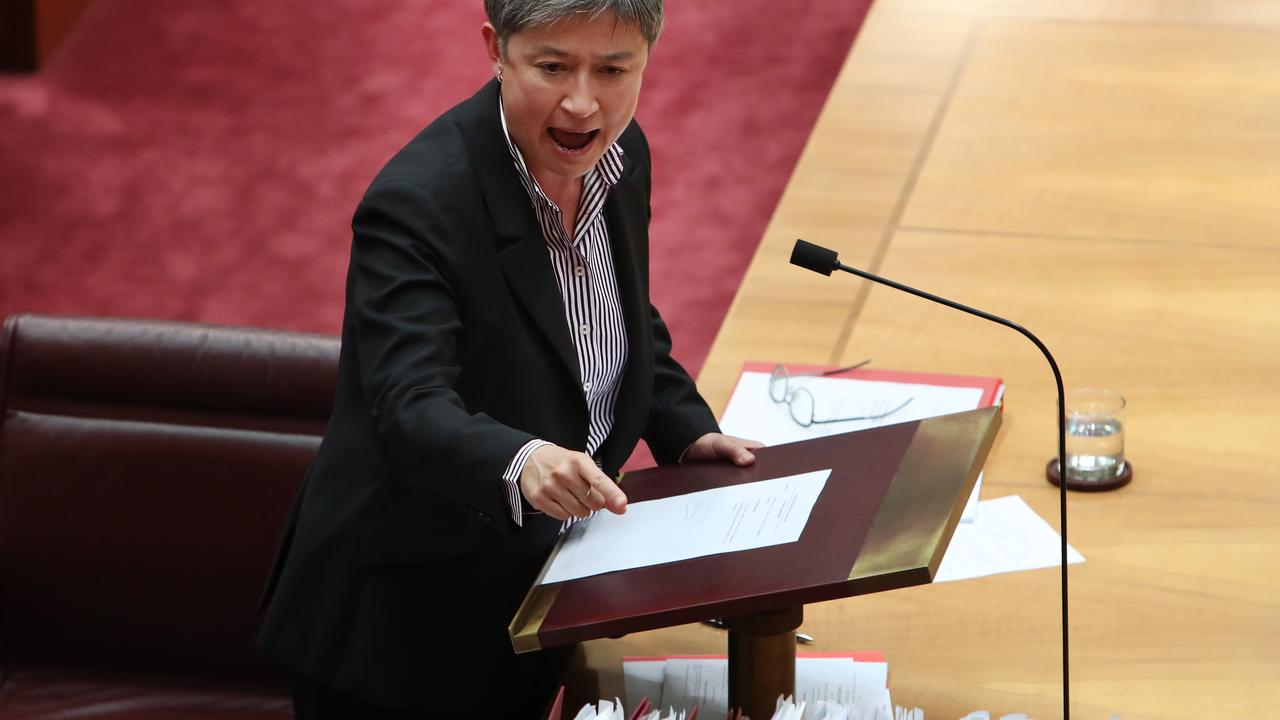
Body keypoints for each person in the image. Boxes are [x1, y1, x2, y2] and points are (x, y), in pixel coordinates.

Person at [257, 1, 761, 717]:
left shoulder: (620, 154)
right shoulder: (418, 204)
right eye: (553, 67)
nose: (583, 103)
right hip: (404, 621)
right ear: (498, 49)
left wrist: (686, 427)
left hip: (536, 584)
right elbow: (409, 406)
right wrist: (522, 460)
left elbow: (616, 312)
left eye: (613, 70)